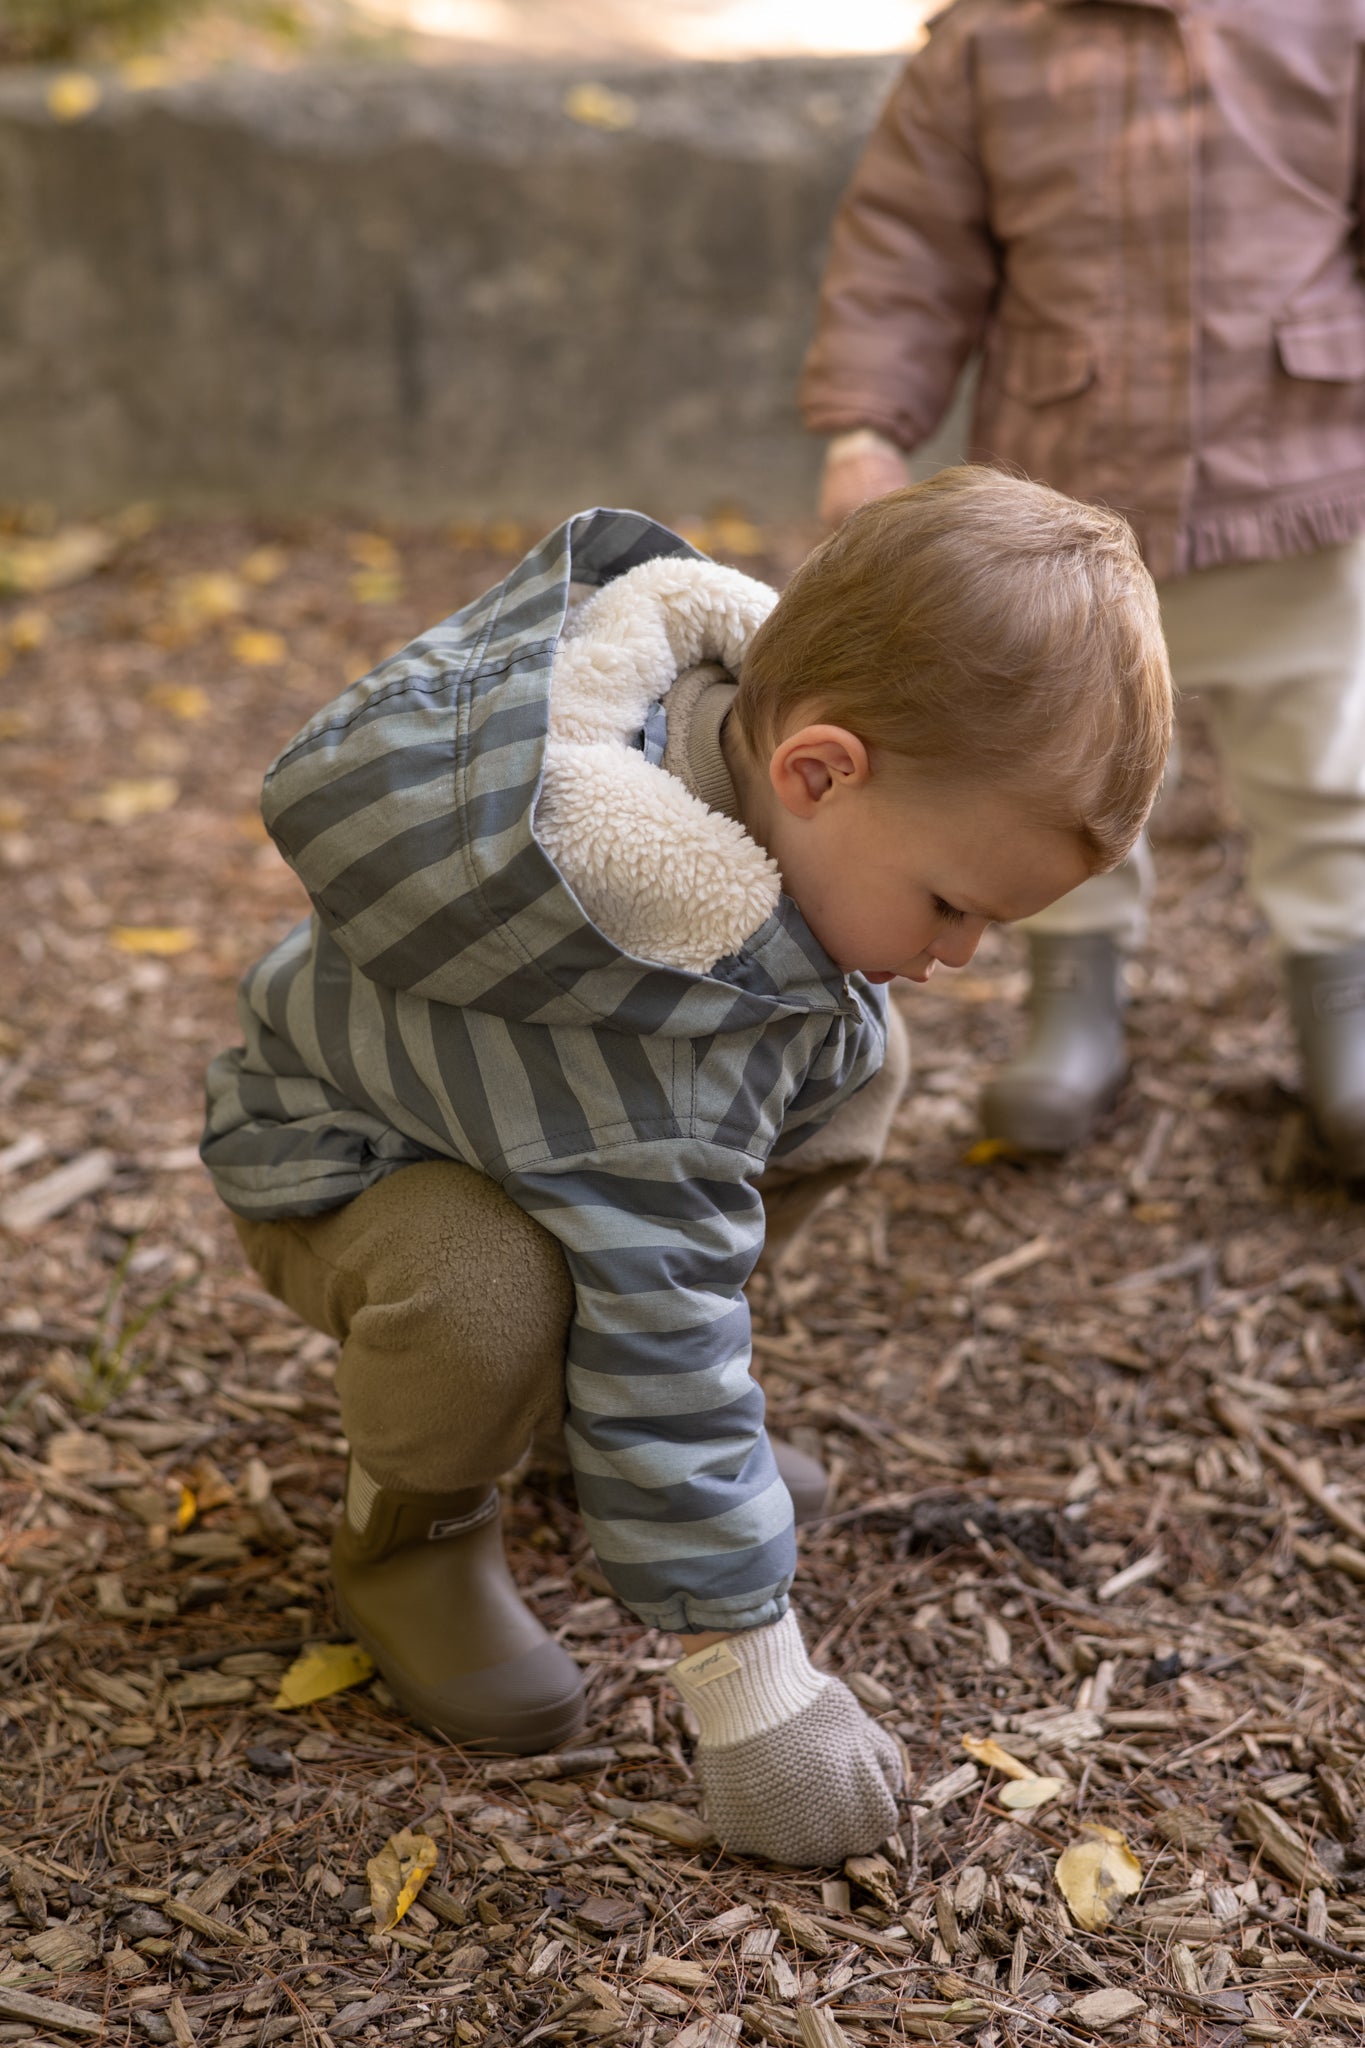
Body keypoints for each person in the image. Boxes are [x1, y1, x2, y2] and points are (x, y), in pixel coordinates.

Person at [201, 471, 1171, 1866]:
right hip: (347, 1160)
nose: (959, 955)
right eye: (952, 903)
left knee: (856, 1062)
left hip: (542, 1132)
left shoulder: (720, 734)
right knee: (489, 1290)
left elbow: (677, 1231)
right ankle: (408, 1531)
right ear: (817, 771)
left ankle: (558, 1414)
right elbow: (667, 1299)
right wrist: (753, 1691)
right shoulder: (661, 978)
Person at [801, 0, 1365, 1175]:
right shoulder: (992, 43)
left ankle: (1345, 997)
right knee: (1050, 760)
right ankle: (1073, 990)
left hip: (1298, 471)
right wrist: (866, 423)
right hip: (1073, 508)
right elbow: (910, 243)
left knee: (1325, 761)